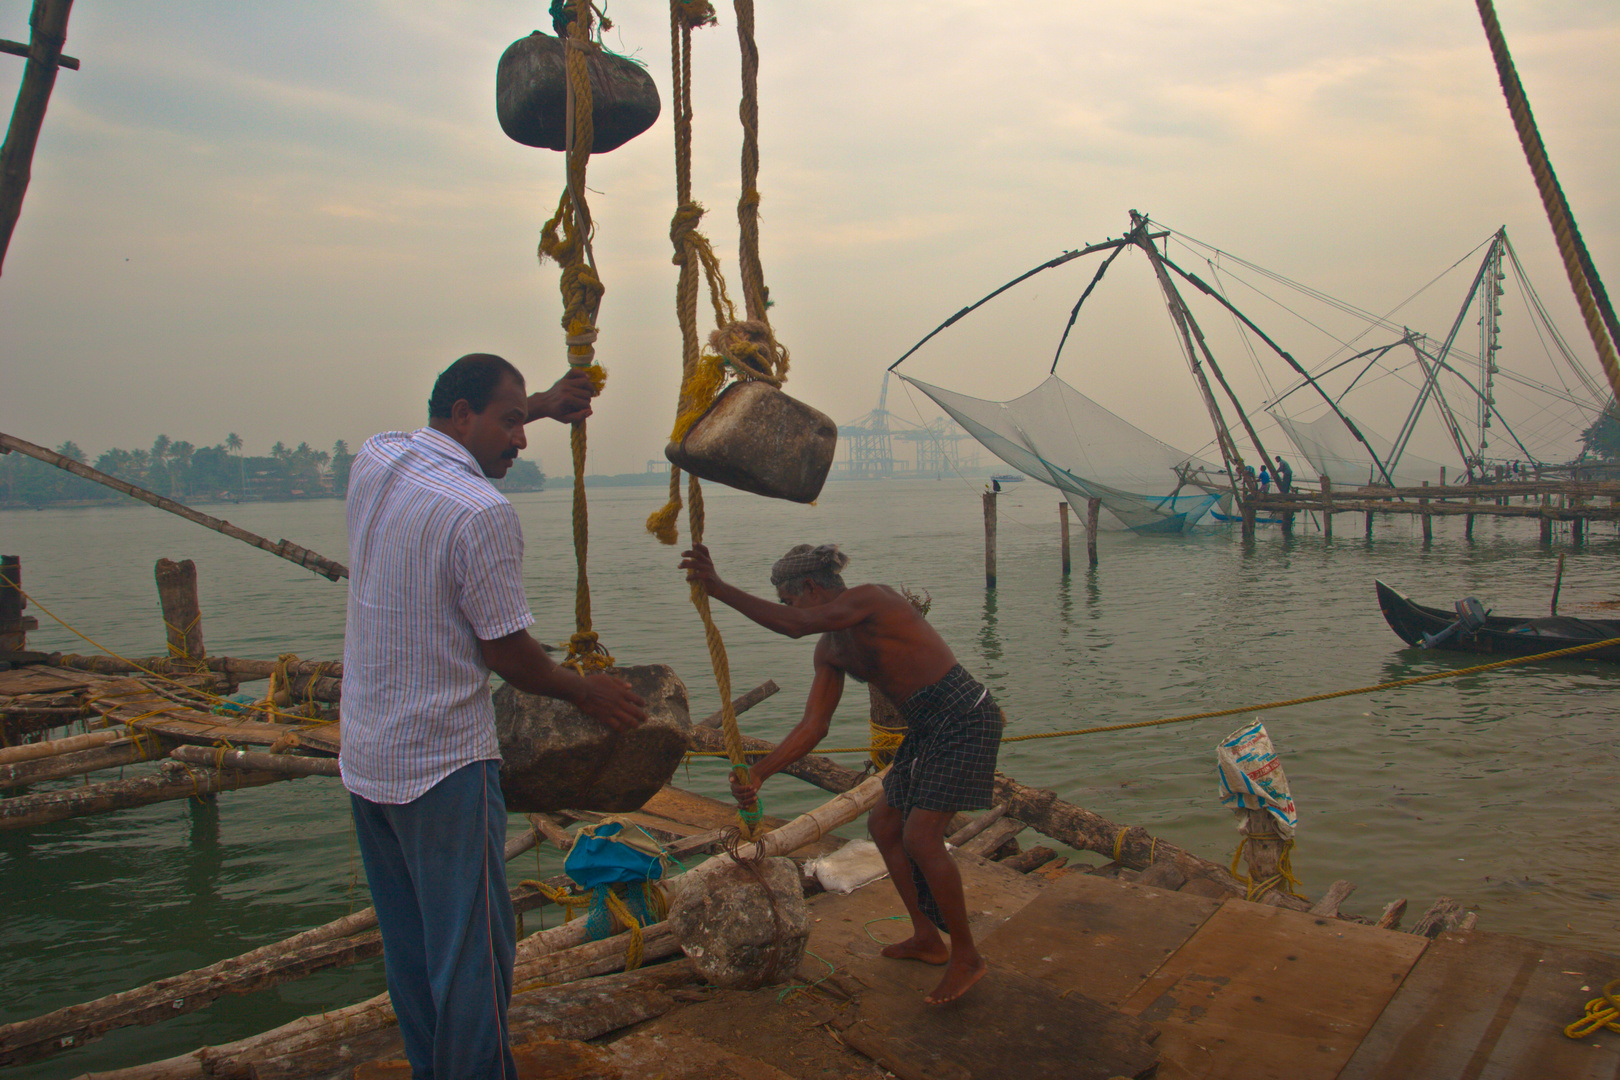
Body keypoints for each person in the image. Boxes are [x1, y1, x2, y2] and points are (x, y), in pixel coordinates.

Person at [342, 353, 648, 1079]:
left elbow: (459, 424)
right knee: (473, 957)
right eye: (511, 423)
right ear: (462, 416)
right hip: (442, 764)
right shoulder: (479, 511)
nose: (522, 439)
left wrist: (539, 403)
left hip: (367, 759)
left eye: (522, 421)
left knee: (413, 949)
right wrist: (585, 690)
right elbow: (510, 654)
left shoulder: (378, 457)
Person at [678, 541, 1004, 1006]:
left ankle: (967, 956)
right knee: (884, 824)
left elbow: (796, 626)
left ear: (811, 587)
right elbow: (815, 725)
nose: (791, 609)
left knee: (923, 837)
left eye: (789, 599)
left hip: (964, 716)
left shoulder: (873, 599)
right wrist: (760, 774)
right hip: (927, 727)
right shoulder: (831, 650)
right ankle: (927, 938)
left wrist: (719, 588)